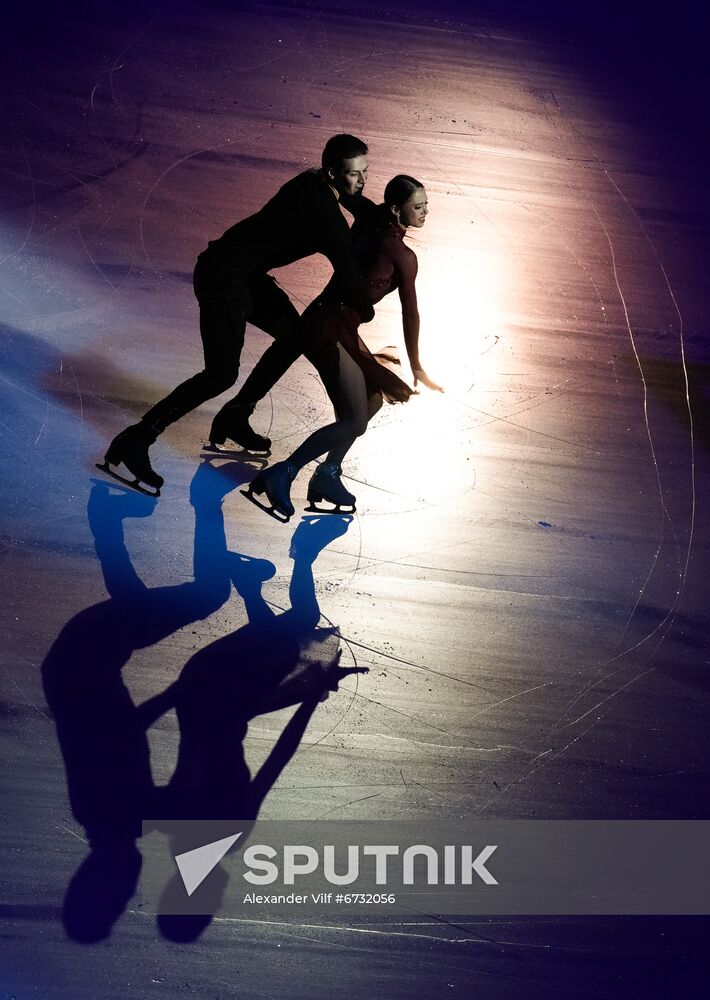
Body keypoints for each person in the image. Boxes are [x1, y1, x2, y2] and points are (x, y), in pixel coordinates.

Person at [98, 134, 375, 495]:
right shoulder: (325, 213)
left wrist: (390, 216)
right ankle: (137, 438)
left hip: (248, 277)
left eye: (365, 171)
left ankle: (237, 414)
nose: (362, 180)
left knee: (297, 336)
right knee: (220, 374)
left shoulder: (312, 182)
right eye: (354, 174)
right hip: (222, 276)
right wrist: (366, 309)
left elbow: (363, 207)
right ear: (331, 173)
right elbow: (348, 271)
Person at [243, 175, 443, 520]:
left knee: (372, 398)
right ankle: (283, 473)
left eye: (426, 205)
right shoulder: (403, 255)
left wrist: (325, 174)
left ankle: (328, 474)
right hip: (329, 331)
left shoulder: (370, 218)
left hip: (331, 323)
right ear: (397, 209)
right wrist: (417, 366)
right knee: (354, 420)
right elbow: (411, 313)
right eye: (418, 206)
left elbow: (349, 196)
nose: (426, 212)